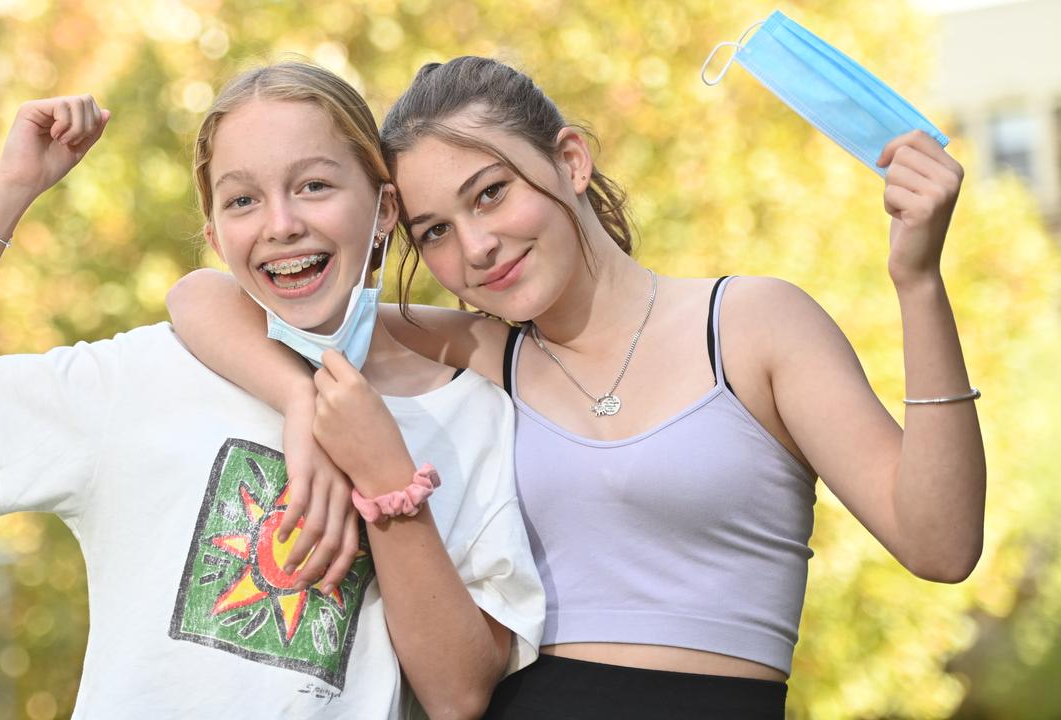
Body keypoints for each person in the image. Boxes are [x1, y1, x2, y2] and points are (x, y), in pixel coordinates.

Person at [166, 56, 985, 719]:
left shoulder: (752, 324)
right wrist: (303, 404)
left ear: (569, 159)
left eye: (492, 193)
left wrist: (918, 284)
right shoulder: (485, 352)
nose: (477, 248)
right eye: (436, 232)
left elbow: (940, 545)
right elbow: (203, 296)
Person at [0, 63, 544, 719]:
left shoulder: (473, 415)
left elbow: (459, 695)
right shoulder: (148, 375)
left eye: (313, 186)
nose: (281, 223)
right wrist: (10, 185)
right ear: (216, 235)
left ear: (385, 207)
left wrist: (386, 480)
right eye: (244, 200)